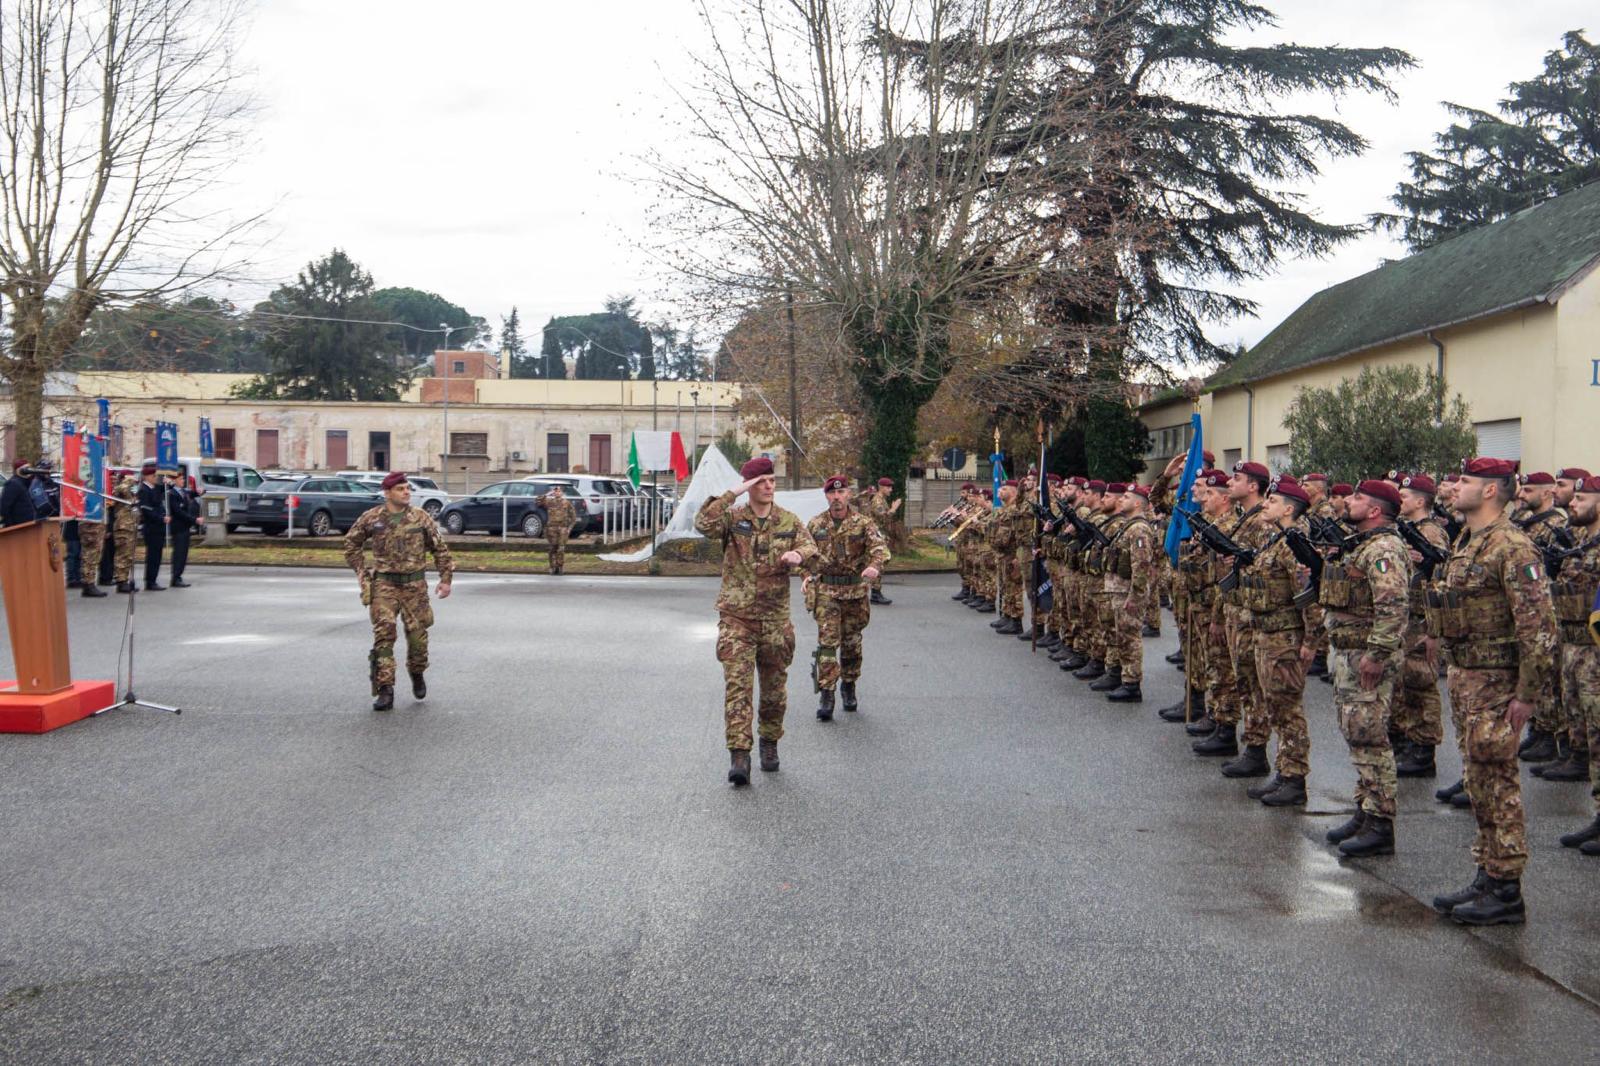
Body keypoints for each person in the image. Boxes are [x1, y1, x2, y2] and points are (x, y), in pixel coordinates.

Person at [1428, 458, 1557, 925]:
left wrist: (1526, 694)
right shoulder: (1468, 540)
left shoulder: (1512, 546)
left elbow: (1539, 627)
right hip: (1468, 679)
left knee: (1498, 782)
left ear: (1489, 492)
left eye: (1464, 481)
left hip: (1497, 684)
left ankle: (1506, 890)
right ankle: (1488, 871)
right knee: (1478, 778)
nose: (1455, 486)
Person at [695, 456, 818, 785]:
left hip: (775, 623)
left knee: (774, 691)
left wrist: (799, 555)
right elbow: (703, 523)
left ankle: (769, 742)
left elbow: (811, 548)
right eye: (761, 481)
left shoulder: (788, 520)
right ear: (750, 486)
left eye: (772, 481)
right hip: (737, 621)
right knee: (738, 688)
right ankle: (739, 755)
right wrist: (733, 492)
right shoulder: (732, 519)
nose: (768, 486)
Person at [342, 472, 454, 711]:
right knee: (384, 636)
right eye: (401, 489)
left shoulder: (420, 517)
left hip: (415, 587)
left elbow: (440, 549)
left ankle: (417, 671)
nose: (406, 492)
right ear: (388, 493)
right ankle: (385, 690)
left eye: (407, 488)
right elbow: (351, 544)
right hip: (384, 586)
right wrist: (361, 573)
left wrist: (446, 579)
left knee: (417, 639)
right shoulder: (372, 518)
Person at [805, 474, 889, 721]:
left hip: (854, 594)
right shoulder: (815, 524)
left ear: (849, 494)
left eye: (841, 493)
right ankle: (827, 693)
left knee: (852, 644)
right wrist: (806, 577)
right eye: (832, 493)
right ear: (827, 496)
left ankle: (849, 685)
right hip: (827, 593)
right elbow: (805, 554)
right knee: (828, 645)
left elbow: (879, 550)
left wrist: (874, 566)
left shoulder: (864, 523)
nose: (837, 497)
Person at [1553, 476, 1600, 854]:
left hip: (1595, 652)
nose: (1573, 503)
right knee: (1586, 730)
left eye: (1582, 498)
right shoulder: (1582, 542)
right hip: (1574, 647)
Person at [1393, 474, 1450, 778]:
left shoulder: (1432, 533)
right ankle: (1408, 741)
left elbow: (1440, 581)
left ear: (1420, 501)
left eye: (1404, 496)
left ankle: (1424, 750)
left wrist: (1433, 630)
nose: (1399, 500)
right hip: (1407, 617)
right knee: (1406, 684)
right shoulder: (1409, 531)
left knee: (1422, 684)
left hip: (1422, 619)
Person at [1513, 470, 1569, 764]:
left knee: (1551, 679)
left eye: (1529, 490)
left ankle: (1553, 736)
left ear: (1545, 493)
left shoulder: (1555, 525)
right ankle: (1541, 730)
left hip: (1550, 607)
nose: (1522, 495)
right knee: (1539, 677)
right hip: (1530, 605)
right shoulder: (1525, 523)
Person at [1103, 484, 1157, 702]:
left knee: (1129, 638)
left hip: (1128, 593)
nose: (1120, 500)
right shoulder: (1128, 526)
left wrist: (1135, 596)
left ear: (1137, 503)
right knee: (1121, 636)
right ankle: (1123, 677)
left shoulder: (1139, 529)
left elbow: (1141, 565)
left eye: (1125, 497)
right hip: (1119, 589)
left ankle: (1132, 684)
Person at [165, 473, 204, 588]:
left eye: (182, 478)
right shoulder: (172, 494)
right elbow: (179, 512)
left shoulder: (183, 492)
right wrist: (195, 520)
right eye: (180, 479)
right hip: (178, 527)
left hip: (185, 527)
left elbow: (192, 494)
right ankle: (175, 577)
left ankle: (179, 576)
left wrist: (199, 491)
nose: (183, 481)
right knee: (179, 553)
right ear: (174, 481)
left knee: (184, 553)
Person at [135, 462, 168, 591]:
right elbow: (147, 510)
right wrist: (161, 518)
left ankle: (153, 579)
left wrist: (168, 482)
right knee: (152, 556)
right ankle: (150, 581)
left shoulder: (155, 488)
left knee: (157, 555)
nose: (156, 478)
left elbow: (166, 490)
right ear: (147, 477)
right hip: (151, 527)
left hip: (159, 527)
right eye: (154, 476)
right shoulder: (144, 490)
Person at [110, 471, 141, 593]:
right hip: (123, 526)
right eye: (131, 477)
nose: (134, 479)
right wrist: (129, 481)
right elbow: (120, 491)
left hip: (130, 525)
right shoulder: (121, 488)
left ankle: (125, 579)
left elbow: (135, 500)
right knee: (122, 554)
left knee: (128, 555)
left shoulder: (132, 489)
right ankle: (121, 581)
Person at [537, 486, 576, 574]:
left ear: (562, 493)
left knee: (561, 548)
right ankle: (552, 567)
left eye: (559, 491)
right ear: (553, 493)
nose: (557, 493)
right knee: (552, 548)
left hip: (563, 528)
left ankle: (560, 567)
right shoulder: (549, 502)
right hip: (552, 529)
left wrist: (569, 528)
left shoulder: (566, 503)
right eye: (555, 491)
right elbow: (538, 501)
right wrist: (547, 494)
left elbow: (573, 517)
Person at [1, 459, 38, 527]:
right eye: (26, 468)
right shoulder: (13, 484)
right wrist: (12, 526)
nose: (28, 470)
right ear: (18, 470)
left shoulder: (25, 483)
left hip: (28, 526)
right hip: (17, 529)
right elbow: (4, 508)